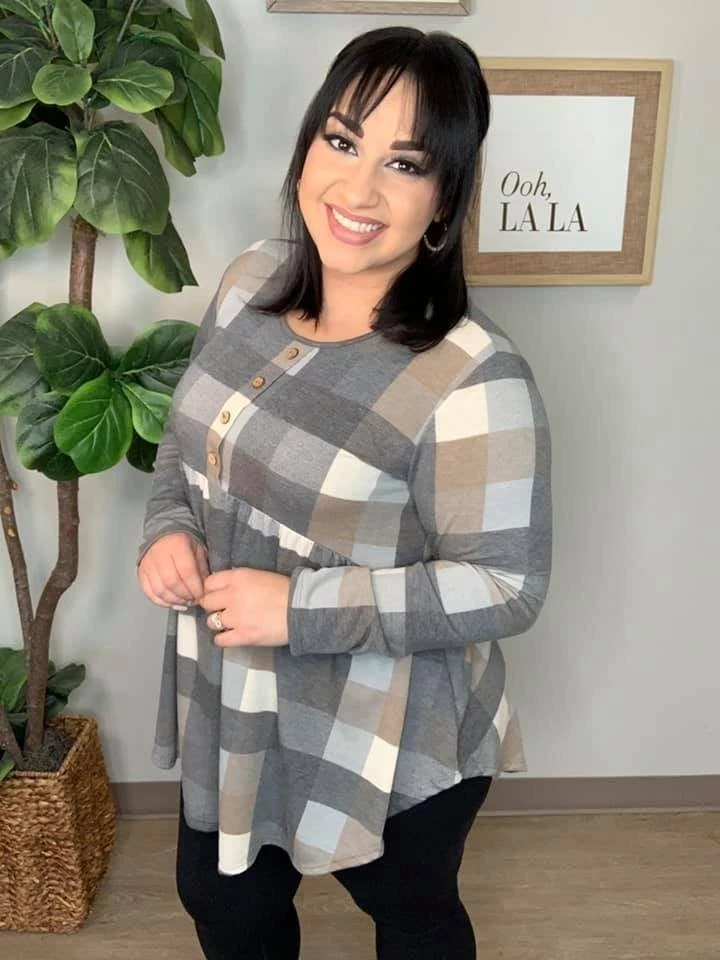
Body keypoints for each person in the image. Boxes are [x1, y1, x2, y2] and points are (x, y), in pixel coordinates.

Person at [137, 25, 551, 960]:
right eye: (342, 140)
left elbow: (507, 585)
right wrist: (167, 527)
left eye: (405, 163)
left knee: (412, 917)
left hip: (391, 729)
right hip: (240, 698)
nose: (358, 191)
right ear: (307, 147)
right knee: (223, 903)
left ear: (444, 199)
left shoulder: (473, 376)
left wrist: (298, 607)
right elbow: (190, 448)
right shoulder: (248, 280)